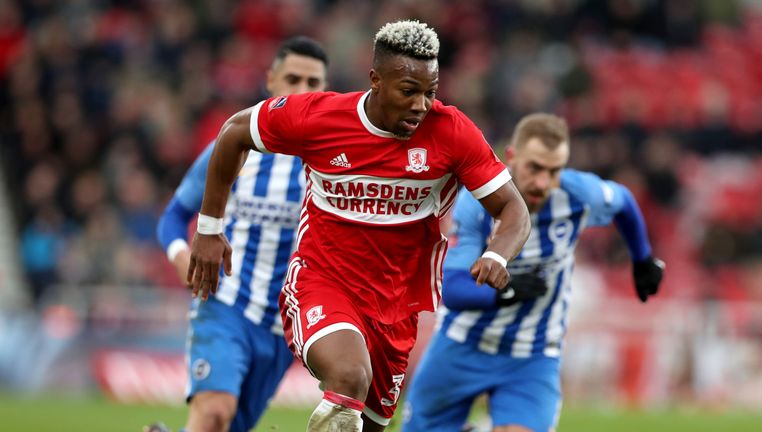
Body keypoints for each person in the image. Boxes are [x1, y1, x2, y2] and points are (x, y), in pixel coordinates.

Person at [186, 20, 531, 432]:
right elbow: (233, 132)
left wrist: (497, 252)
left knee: (367, 424)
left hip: (397, 306)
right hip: (322, 281)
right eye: (409, 91)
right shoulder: (319, 117)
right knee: (350, 377)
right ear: (376, 80)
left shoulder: (452, 132)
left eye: (431, 92)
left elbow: (513, 209)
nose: (421, 105)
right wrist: (209, 227)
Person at [401, 113, 665, 432]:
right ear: (512, 158)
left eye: (554, 171)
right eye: (535, 168)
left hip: (532, 354)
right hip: (463, 343)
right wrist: (506, 292)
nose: (543, 183)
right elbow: (453, 290)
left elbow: (622, 201)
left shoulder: (578, 195)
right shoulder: (476, 202)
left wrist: (642, 258)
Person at [155, 36, 329, 432]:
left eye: (313, 83)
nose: (302, 91)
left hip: (287, 325)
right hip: (226, 303)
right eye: (293, 79)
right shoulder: (235, 146)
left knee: (230, 427)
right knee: (214, 414)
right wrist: (183, 257)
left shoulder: (333, 162)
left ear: (325, 89)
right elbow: (172, 217)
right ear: (271, 81)